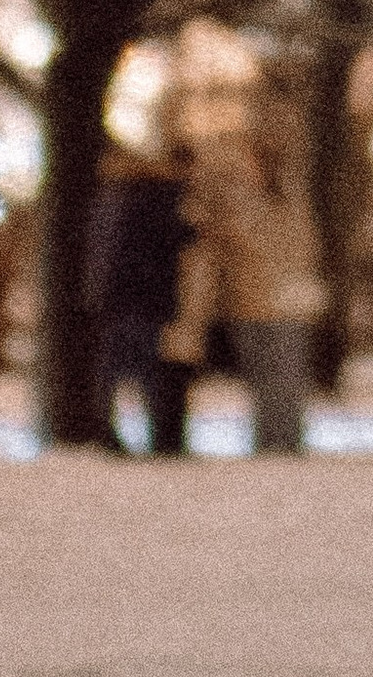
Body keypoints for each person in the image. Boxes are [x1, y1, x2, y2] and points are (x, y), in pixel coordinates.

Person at [166, 86, 327, 454]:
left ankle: (286, 445)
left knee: (288, 377)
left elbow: (301, 241)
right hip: (250, 295)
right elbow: (211, 235)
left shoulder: (288, 187)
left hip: (288, 295)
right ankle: (272, 446)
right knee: (267, 378)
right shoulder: (228, 184)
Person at [87, 145, 196, 455]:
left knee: (117, 368)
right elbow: (171, 243)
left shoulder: (115, 198)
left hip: (119, 298)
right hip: (143, 299)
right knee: (145, 369)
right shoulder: (160, 198)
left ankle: (114, 431)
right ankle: (152, 435)